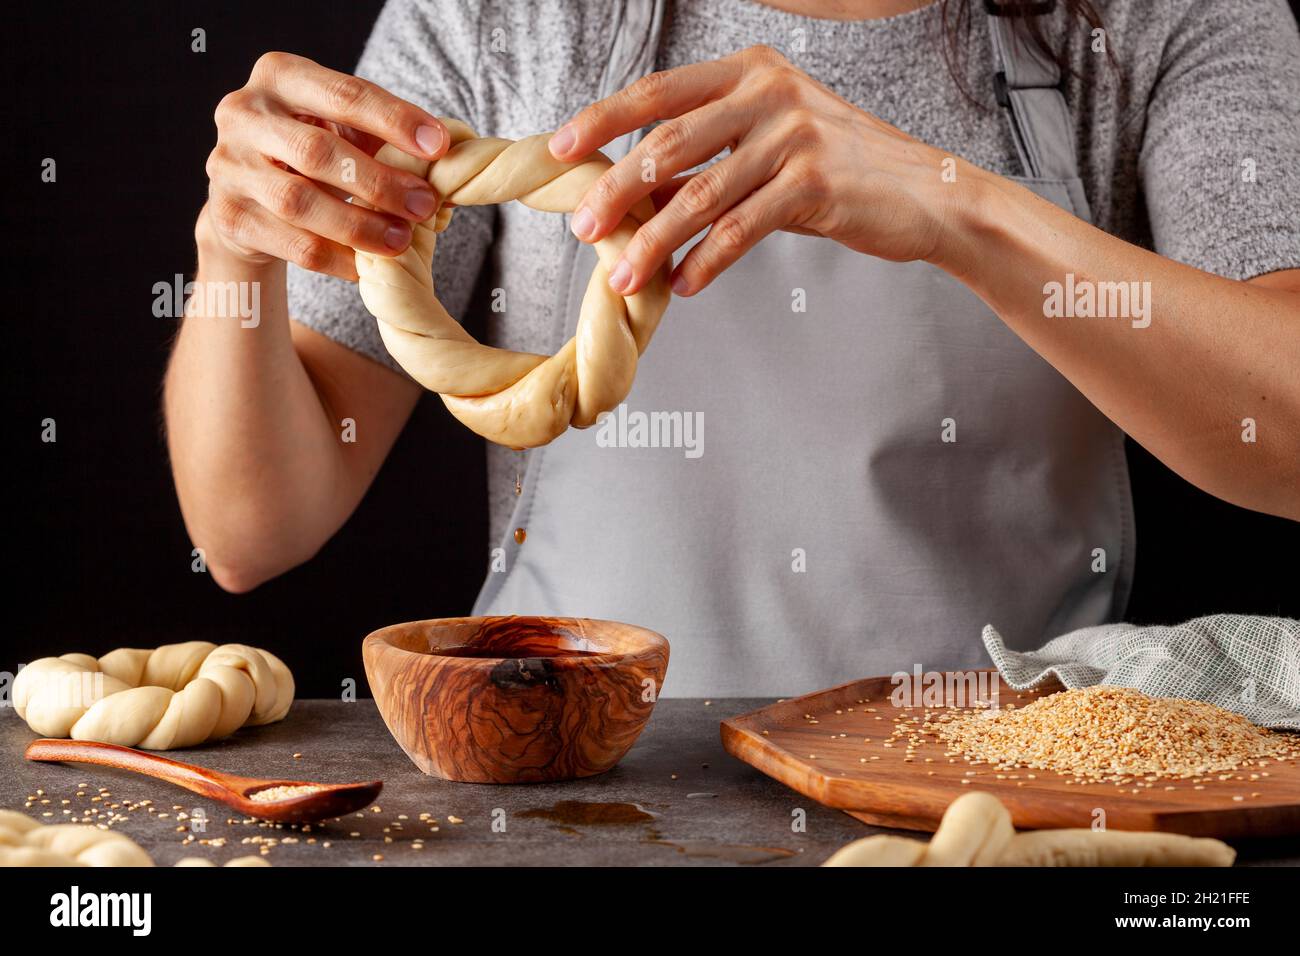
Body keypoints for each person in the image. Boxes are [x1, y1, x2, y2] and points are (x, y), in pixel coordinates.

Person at [164, 0, 1300, 696]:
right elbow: (251, 527)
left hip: (997, 809)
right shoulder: (506, 15)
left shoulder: (1153, 14)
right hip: (588, 792)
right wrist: (234, 258)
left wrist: (963, 210)